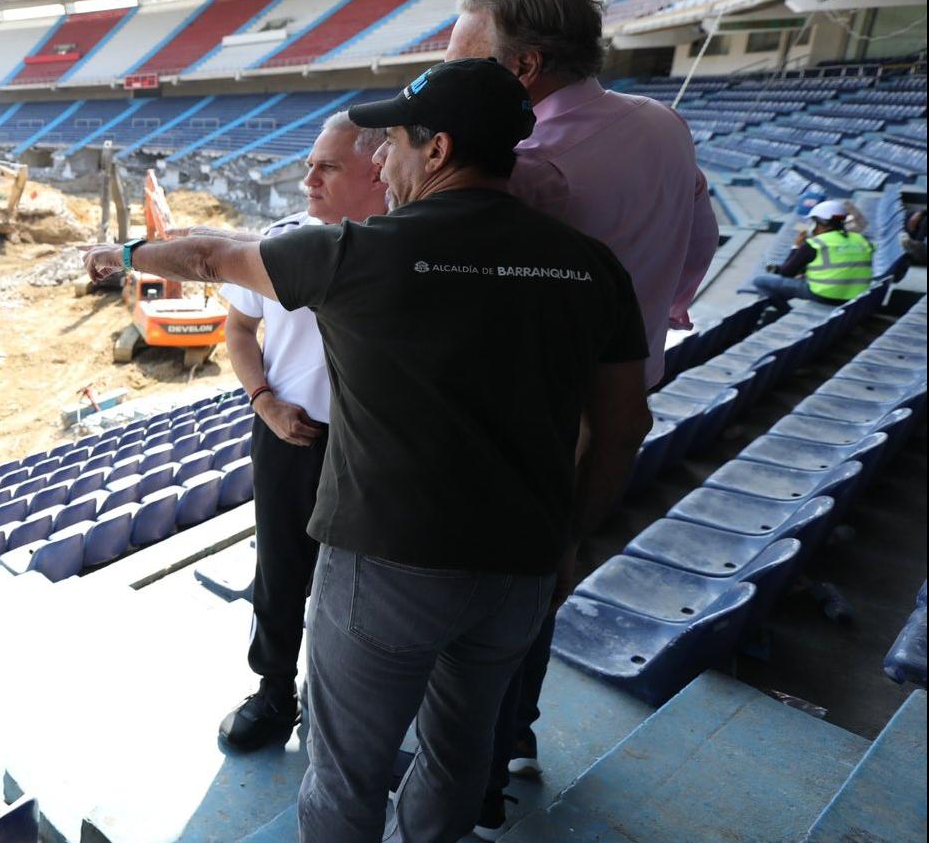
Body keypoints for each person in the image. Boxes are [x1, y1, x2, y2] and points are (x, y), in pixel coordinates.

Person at [83, 59, 651, 843]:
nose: (381, 160)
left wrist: (128, 251)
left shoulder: (360, 253)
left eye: (393, 145)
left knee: (345, 770)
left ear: (439, 149)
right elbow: (622, 427)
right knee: (459, 757)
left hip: (385, 561)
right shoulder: (592, 267)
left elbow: (211, 257)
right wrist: (568, 538)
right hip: (518, 564)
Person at [444, 0, 719, 832]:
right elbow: (702, 241)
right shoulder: (664, 125)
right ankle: (515, 736)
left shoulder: (527, 168)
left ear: (522, 67)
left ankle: (476, 782)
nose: (450, 72)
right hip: (625, 394)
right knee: (544, 576)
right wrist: (660, 306)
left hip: (535, 414)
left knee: (489, 600)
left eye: (465, 56)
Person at [215, 112, 388, 753]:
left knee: (368, 584)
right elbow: (237, 331)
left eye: (327, 166)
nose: (307, 177)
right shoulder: (279, 245)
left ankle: (346, 702)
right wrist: (264, 402)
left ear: (377, 169)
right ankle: (274, 693)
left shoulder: (407, 249)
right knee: (282, 571)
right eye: (310, 162)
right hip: (293, 438)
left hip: (376, 450)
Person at [751, 200, 876, 305]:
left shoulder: (816, 243)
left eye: (814, 222)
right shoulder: (861, 240)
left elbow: (786, 272)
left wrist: (796, 246)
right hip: (857, 296)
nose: (812, 226)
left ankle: (785, 312)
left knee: (760, 280)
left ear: (823, 223)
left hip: (825, 295)